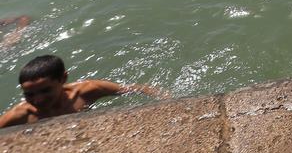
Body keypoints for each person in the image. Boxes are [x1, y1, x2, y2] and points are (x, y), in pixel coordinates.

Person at [0, 55, 168, 128]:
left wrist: (166, 100)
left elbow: (138, 88)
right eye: (29, 94)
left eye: (45, 90)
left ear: (63, 79)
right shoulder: (21, 114)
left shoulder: (87, 91)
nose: (38, 100)